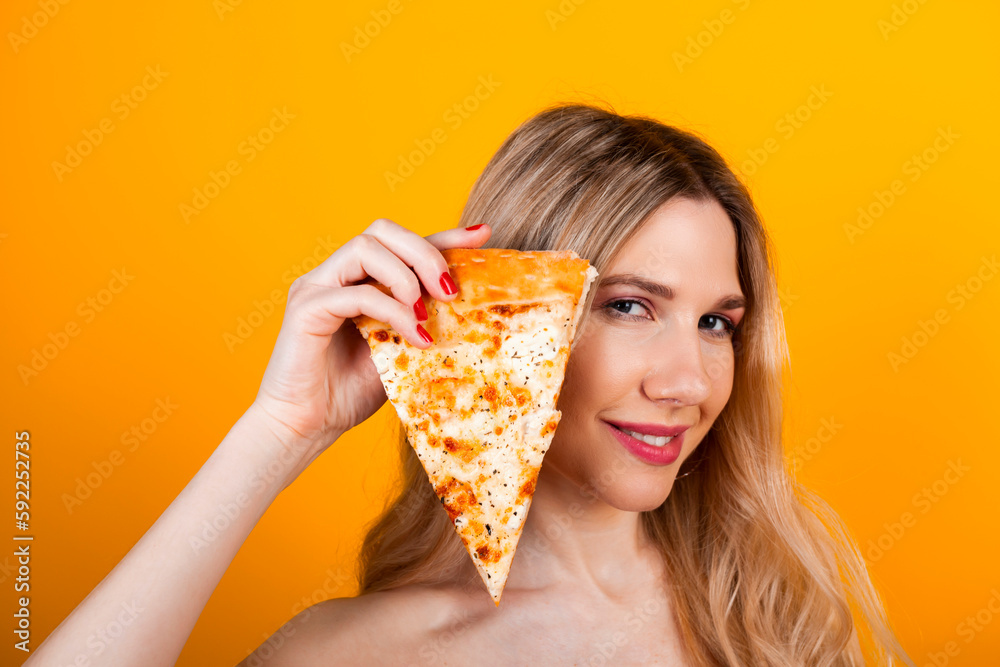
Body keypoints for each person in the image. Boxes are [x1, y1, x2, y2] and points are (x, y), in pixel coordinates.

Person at [29, 103, 915, 666]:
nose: (689, 381)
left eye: (716, 322)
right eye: (630, 307)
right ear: (510, 316)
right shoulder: (363, 654)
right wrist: (280, 428)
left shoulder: (772, 622)